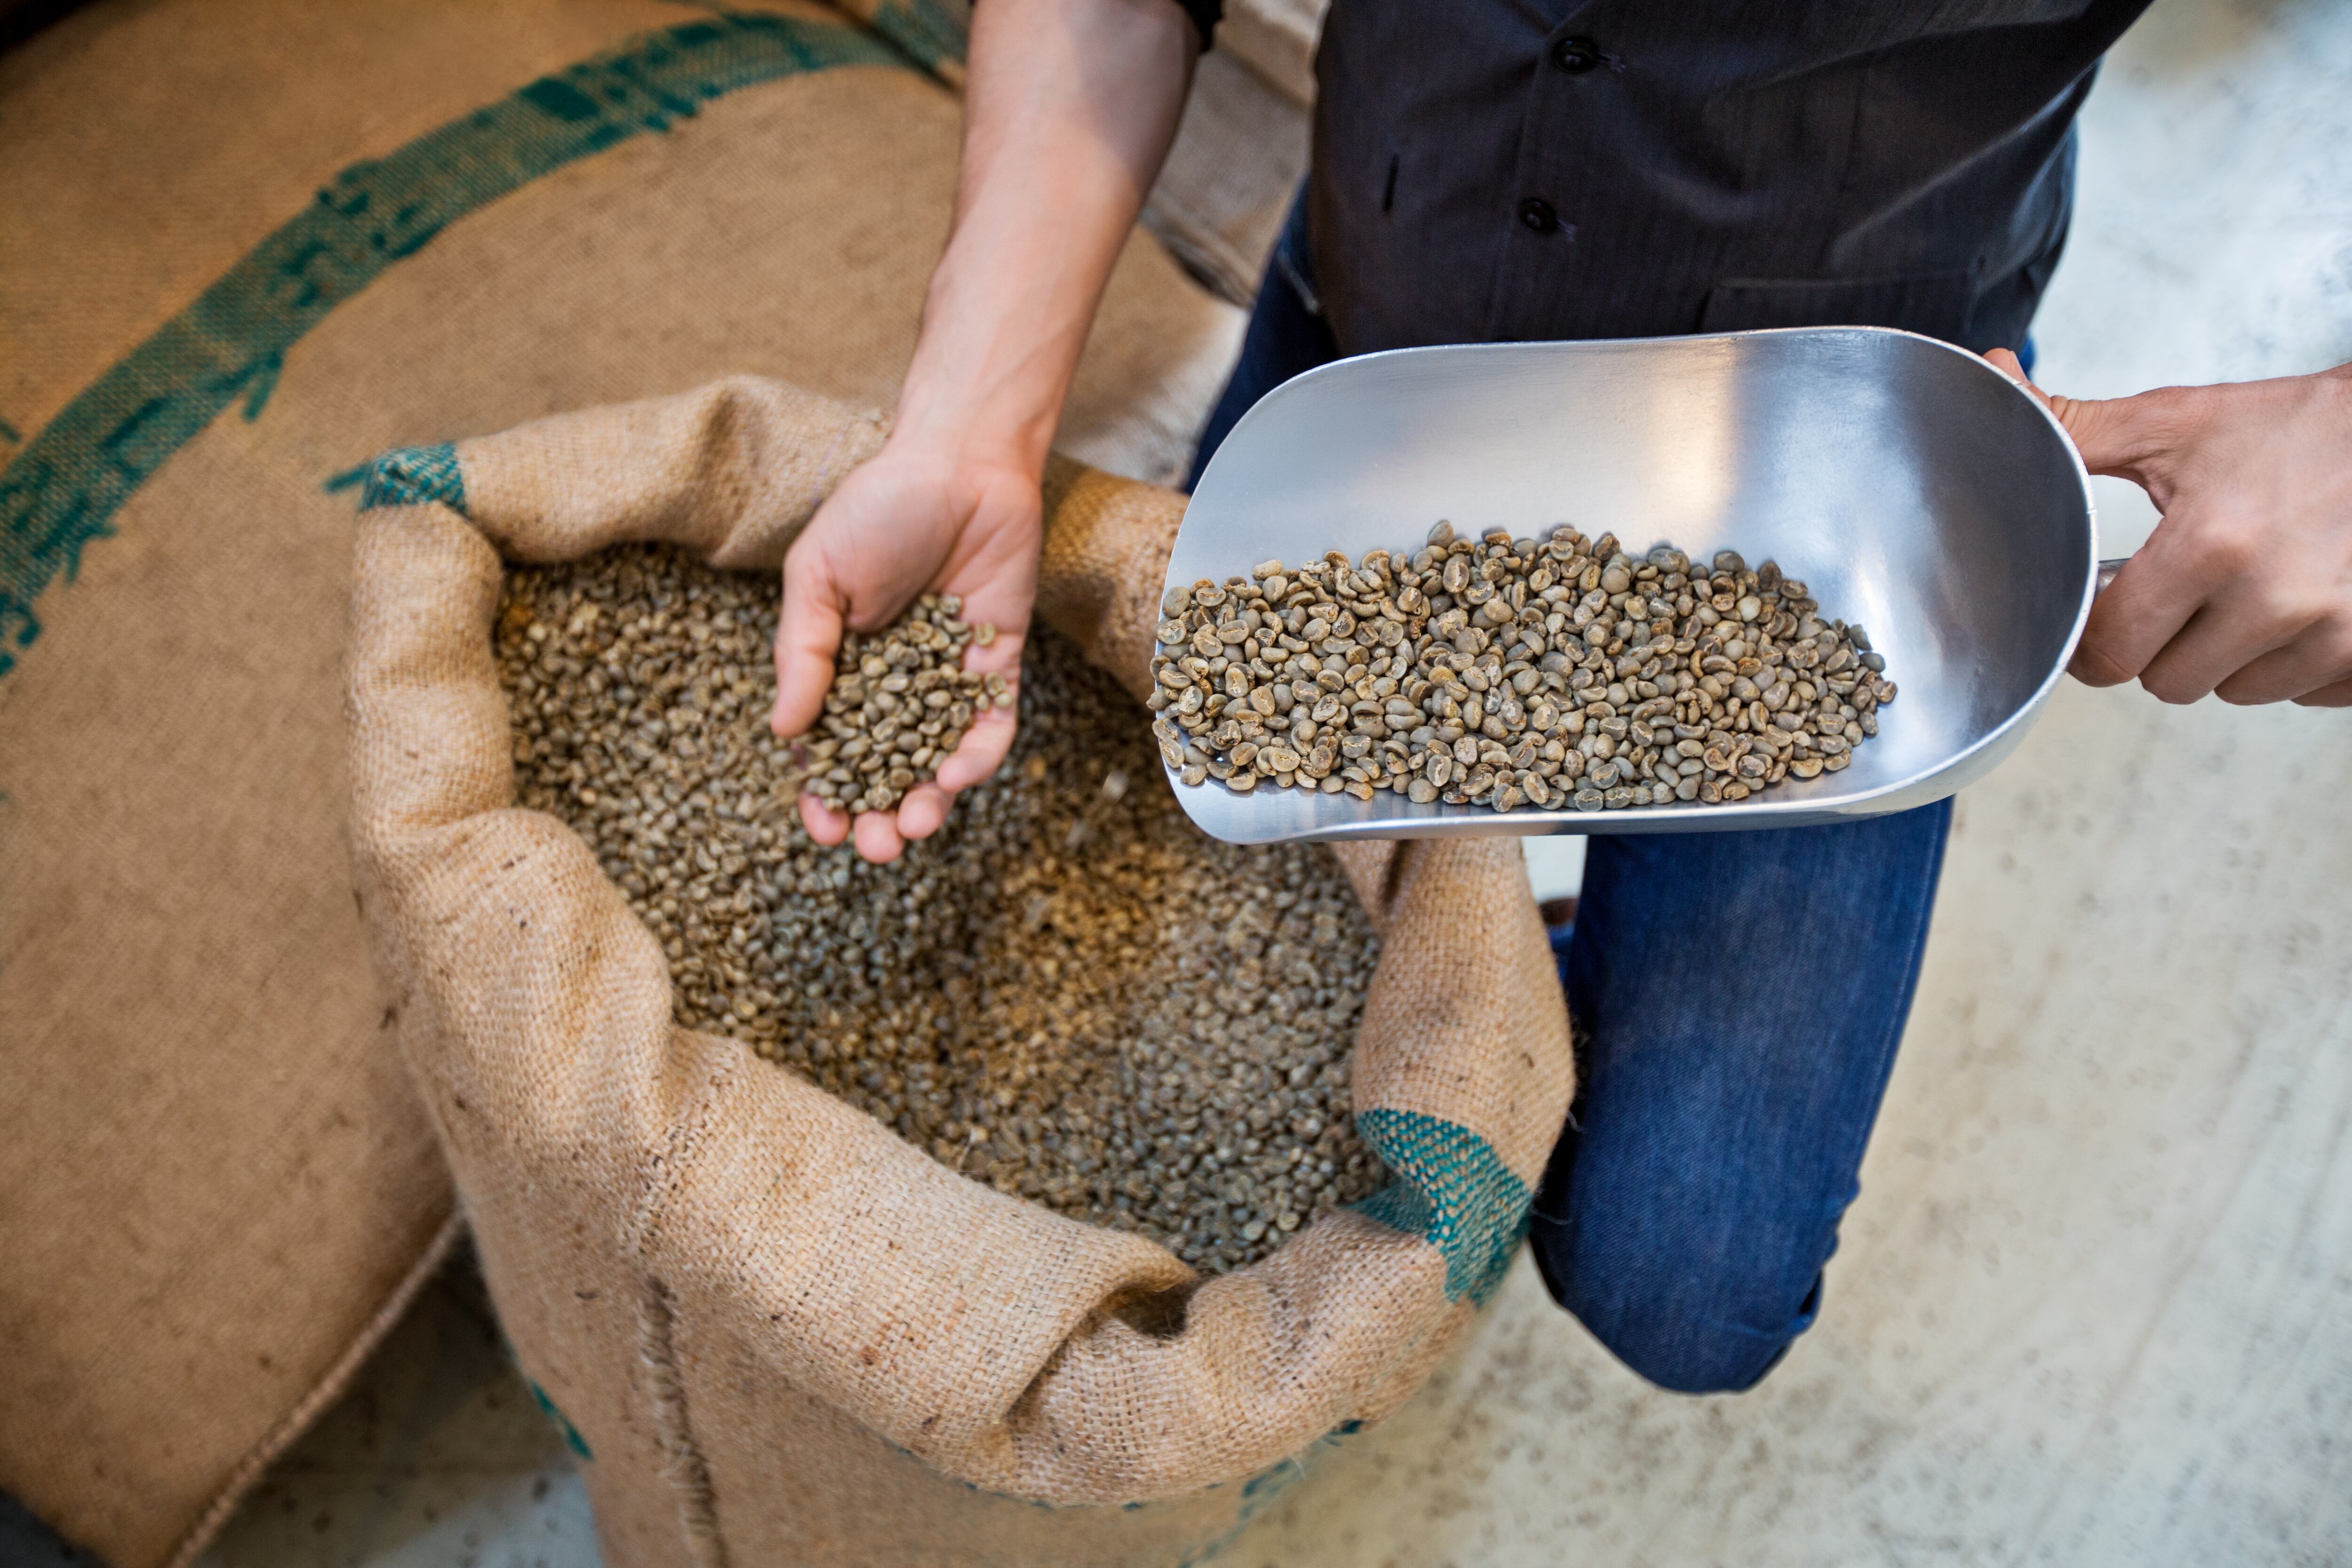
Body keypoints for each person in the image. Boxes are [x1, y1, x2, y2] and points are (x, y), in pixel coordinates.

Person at [769, 0, 2352, 1393]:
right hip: (1388, 330)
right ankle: (1483, 971)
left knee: (1687, 1294)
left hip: (1836, 495)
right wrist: (967, 430)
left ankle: (1529, 985)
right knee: (1182, 959)